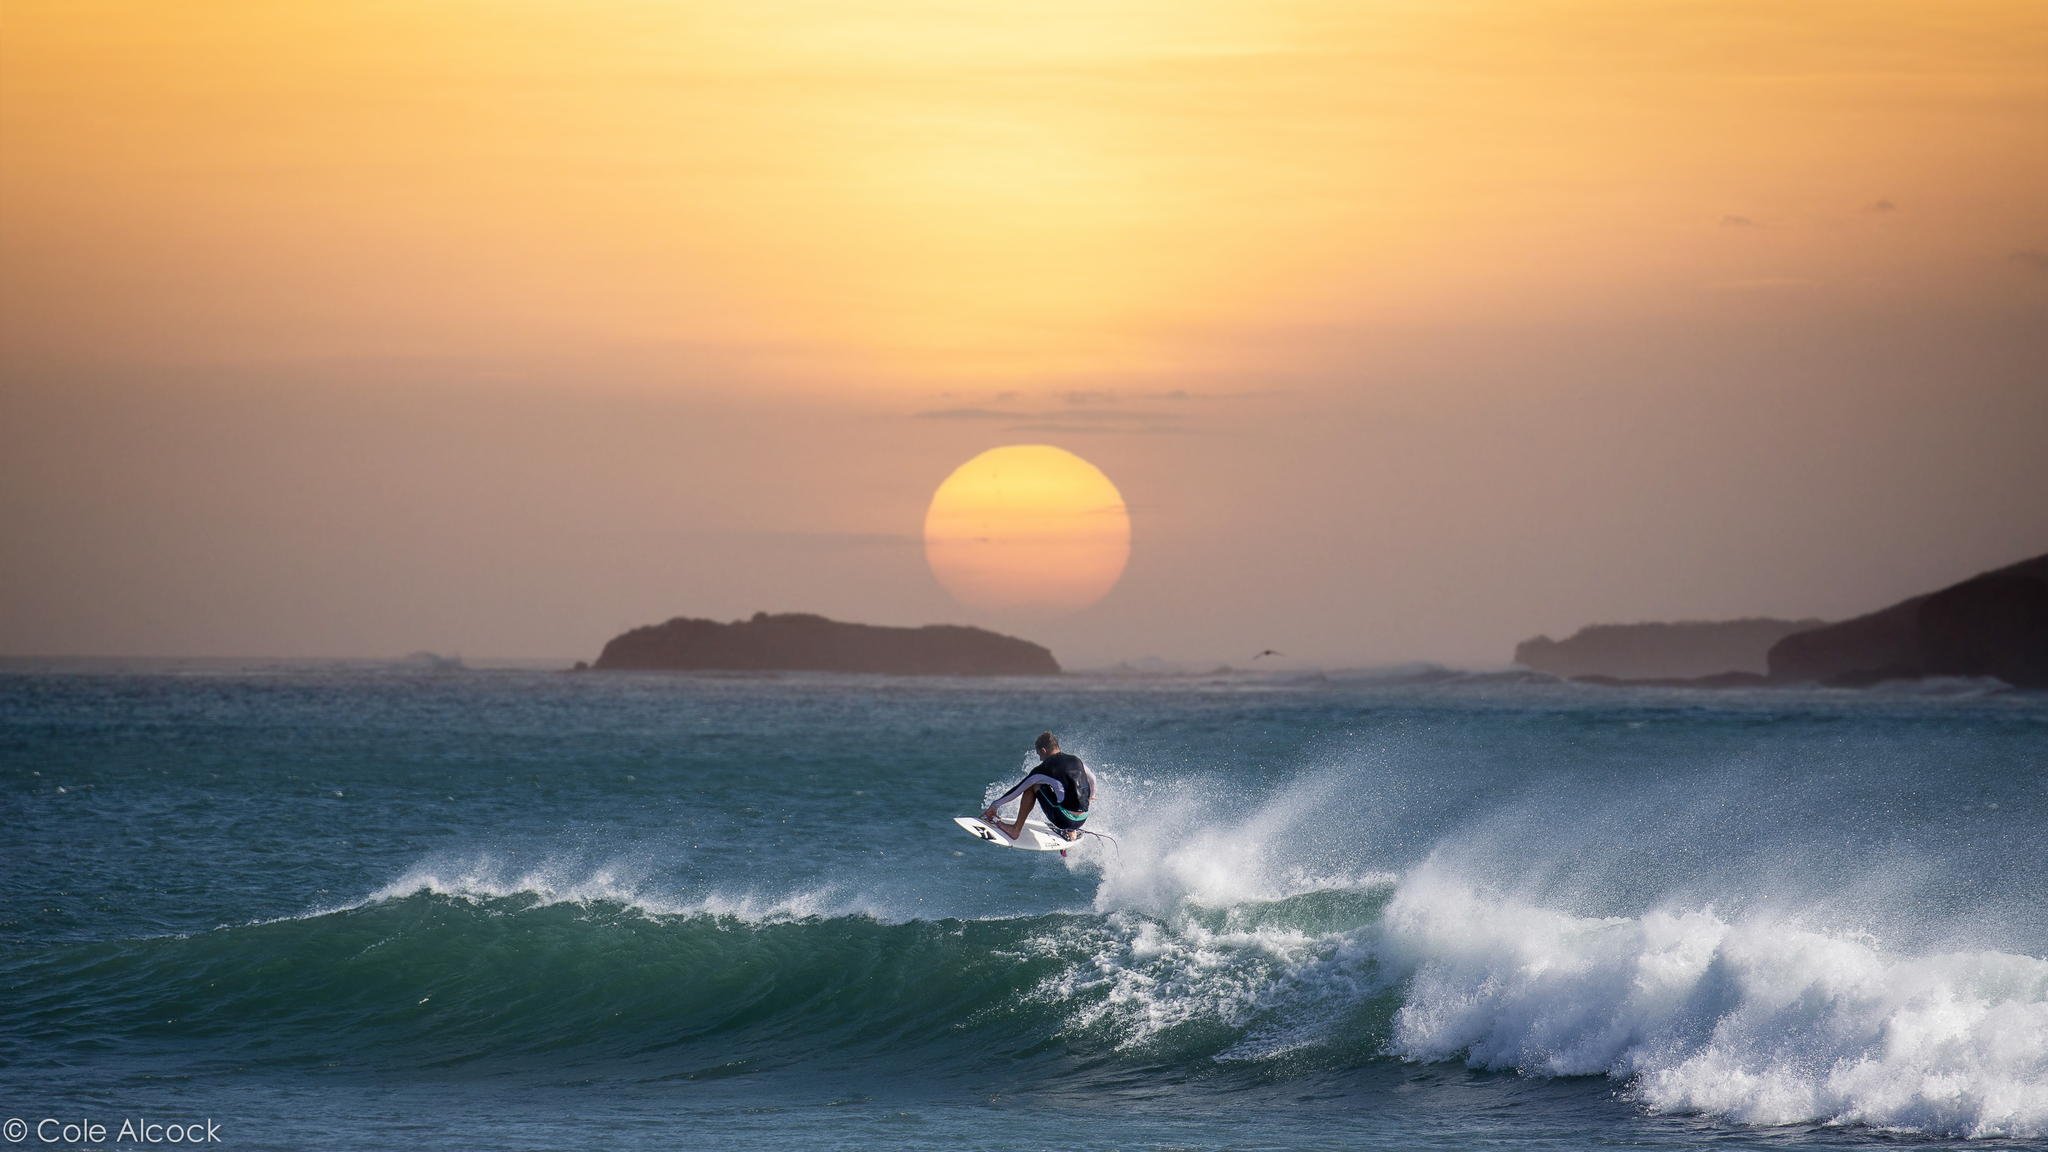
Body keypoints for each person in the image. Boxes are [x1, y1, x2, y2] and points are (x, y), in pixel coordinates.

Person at [982, 731, 1096, 842]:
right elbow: (1093, 779)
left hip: (1064, 819)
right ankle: (1071, 831)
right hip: (1083, 818)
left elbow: (1018, 789)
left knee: (1032, 786)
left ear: (1043, 750)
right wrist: (1091, 796)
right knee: (1063, 788)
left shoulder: (1044, 768)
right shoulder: (1076, 760)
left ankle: (1015, 830)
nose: (1040, 759)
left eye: (1039, 755)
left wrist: (994, 805)